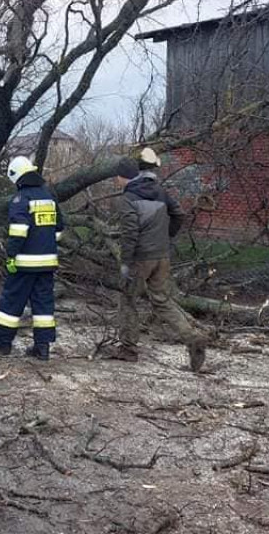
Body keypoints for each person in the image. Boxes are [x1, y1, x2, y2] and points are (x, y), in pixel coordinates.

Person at [113, 148, 208, 371]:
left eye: (116, 177)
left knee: (128, 299)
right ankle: (192, 336)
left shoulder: (129, 198)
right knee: (162, 300)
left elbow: (129, 233)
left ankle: (128, 349)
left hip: (140, 258)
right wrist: (166, 236)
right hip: (161, 255)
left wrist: (125, 264)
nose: (116, 181)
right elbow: (179, 215)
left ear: (122, 177)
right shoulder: (160, 192)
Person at [0, 156, 64, 361]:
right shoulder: (49, 197)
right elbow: (59, 230)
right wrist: (46, 246)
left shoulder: (21, 199)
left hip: (25, 263)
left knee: (12, 301)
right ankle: (42, 347)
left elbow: (19, 231)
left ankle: (2, 341)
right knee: (43, 305)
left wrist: (11, 256)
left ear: (18, 178)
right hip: (48, 263)